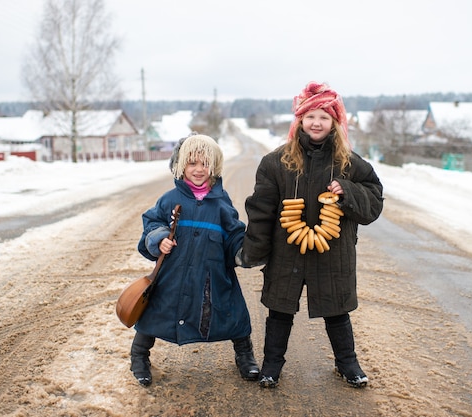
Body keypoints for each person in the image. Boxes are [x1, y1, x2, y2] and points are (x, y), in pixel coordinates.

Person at [240, 81, 384, 389]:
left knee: (337, 310)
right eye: (310, 116)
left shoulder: (349, 162)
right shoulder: (275, 162)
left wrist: (348, 190)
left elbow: (373, 201)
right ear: (300, 120)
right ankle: (272, 365)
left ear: (334, 122)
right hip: (286, 250)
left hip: (333, 251)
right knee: (279, 310)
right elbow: (261, 211)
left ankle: (347, 363)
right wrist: (252, 251)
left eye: (323, 117)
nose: (316, 123)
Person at [131, 133, 259, 387]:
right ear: (180, 165)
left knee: (233, 314)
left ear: (215, 166)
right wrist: (159, 239)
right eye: (192, 163)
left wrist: (244, 252)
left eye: (205, 163)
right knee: (154, 314)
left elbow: (233, 233)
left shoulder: (221, 203)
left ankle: (245, 356)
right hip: (173, 274)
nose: (199, 169)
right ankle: (139, 357)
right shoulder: (170, 200)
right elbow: (152, 223)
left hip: (212, 273)